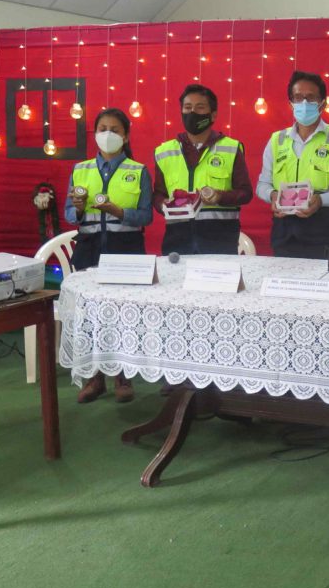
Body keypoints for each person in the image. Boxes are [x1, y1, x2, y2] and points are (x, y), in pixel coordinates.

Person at [65, 106, 153, 403]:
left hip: (125, 250)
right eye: (102, 129)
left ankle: (123, 376)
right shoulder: (80, 169)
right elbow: (69, 213)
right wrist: (77, 209)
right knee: (90, 314)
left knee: (122, 313)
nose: (107, 135)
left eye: (114, 129)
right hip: (89, 248)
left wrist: (118, 211)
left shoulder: (138, 171)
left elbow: (145, 217)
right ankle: (94, 377)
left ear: (125, 135)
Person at [256, 71, 329, 259]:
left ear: (322, 103)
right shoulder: (278, 139)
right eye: (298, 98)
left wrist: (322, 200)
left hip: (327, 236)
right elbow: (262, 185)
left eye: (311, 98)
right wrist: (272, 195)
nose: (304, 103)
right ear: (290, 103)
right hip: (285, 237)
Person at [154, 84, 253, 255]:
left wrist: (219, 196)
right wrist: (163, 204)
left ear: (213, 115)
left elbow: (245, 193)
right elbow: (158, 194)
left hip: (220, 240)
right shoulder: (164, 151)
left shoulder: (231, 147)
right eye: (187, 107)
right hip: (177, 240)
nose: (192, 112)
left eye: (200, 107)